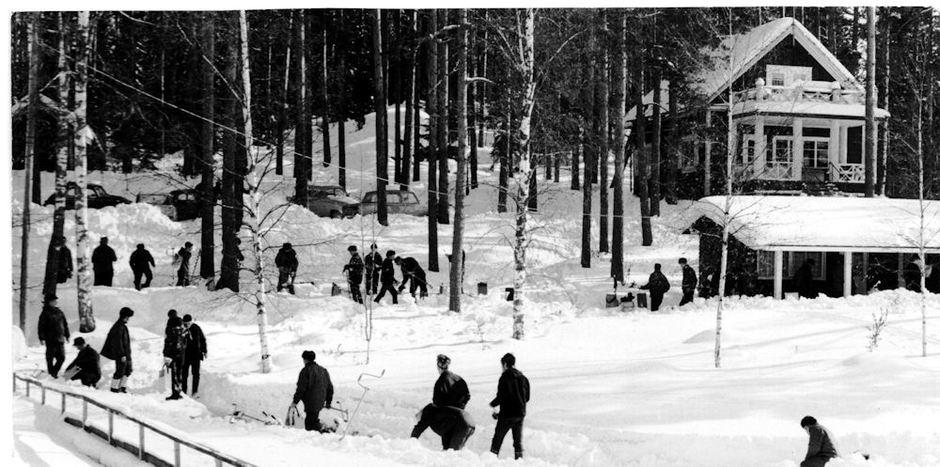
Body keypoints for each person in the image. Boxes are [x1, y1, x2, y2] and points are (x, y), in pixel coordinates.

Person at [411, 355, 475, 450]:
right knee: (451, 452)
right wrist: (457, 407)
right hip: (467, 420)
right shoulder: (459, 379)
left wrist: (412, 440)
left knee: (451, 453)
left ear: (438, 366)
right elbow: (467, 396)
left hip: (457, 422)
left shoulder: (440, 382)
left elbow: (436, 404)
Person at [489, 353, 530, 460]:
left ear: (505, 364)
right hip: (520, 414)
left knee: (497, 439)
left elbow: (501, 396)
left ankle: (491, 460)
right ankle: (519, 461)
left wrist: (492, 404)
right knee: (517, 441)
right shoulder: (523, 377)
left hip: (507, 414)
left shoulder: (504, 377)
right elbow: (527, 397)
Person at [291, 350, 334, 432]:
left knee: (310, 424)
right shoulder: (323, 370)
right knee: (313, 419)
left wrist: (295, 401)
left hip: (310, 401)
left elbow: (301, 388)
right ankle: (322, 431)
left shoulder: (305, 371)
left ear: (305, 359)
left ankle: (322, 433)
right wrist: (328, 401)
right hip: (320, 401)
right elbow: (330, 387)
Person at [101, 307, 134, 393]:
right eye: (128, 317)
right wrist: (122, 354)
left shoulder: (123, 326)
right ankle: (114, 389)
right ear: (124, 316)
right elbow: (117, 343)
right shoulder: (118, 327)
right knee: (120, 371)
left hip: (126, 353)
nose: (128, 319)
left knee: (128, 370)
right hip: (121, 354)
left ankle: (122, 388)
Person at [37, 293, 70, 378]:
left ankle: (53, 372)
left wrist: (67, 335)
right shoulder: (45, 313)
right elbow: (41, 326)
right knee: (50, 358)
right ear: (49, 302)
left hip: (60, 339)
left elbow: (65, 324)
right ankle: (51, 374)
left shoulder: (59, 312)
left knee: (62, 358)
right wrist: (41, 338)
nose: (55, 302)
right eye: (53, 300)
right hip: (50, 339)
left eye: (55, 300)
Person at [163, 315, 187, 400]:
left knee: (174, 374)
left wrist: (166, 355)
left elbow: (168, 344)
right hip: (181, 355)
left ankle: (175, 394)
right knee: (179, 374)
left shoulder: (172, 332)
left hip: (173, 356)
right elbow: (184, 344)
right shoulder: (182, 332)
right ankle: (178, 392)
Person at [181, 314, 206, 396]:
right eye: (185, 323)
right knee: (184, 374)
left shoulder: (196, 328)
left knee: (196, 374)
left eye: (188, 323)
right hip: (185, 356)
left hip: (196, 355)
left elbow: (202, 339)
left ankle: (194, 392)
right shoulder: (181, 329)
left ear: (191, 322)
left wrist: (204, 350)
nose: (187, 324)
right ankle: (183, 392)